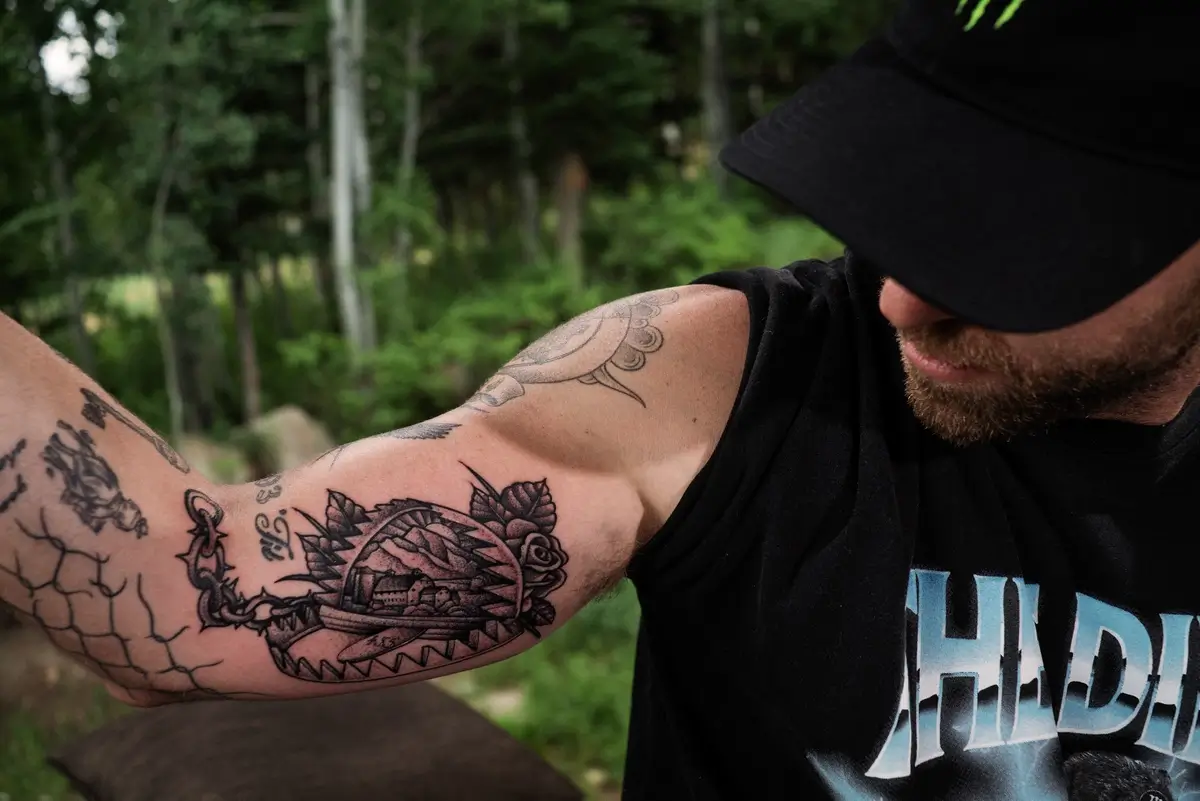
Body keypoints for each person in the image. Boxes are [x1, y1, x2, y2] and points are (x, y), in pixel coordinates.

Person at [2, 0, 1198, 798]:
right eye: (902, 198)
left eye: (1011, 245)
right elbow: (181, 591)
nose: (902, 300)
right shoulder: (720, 381)